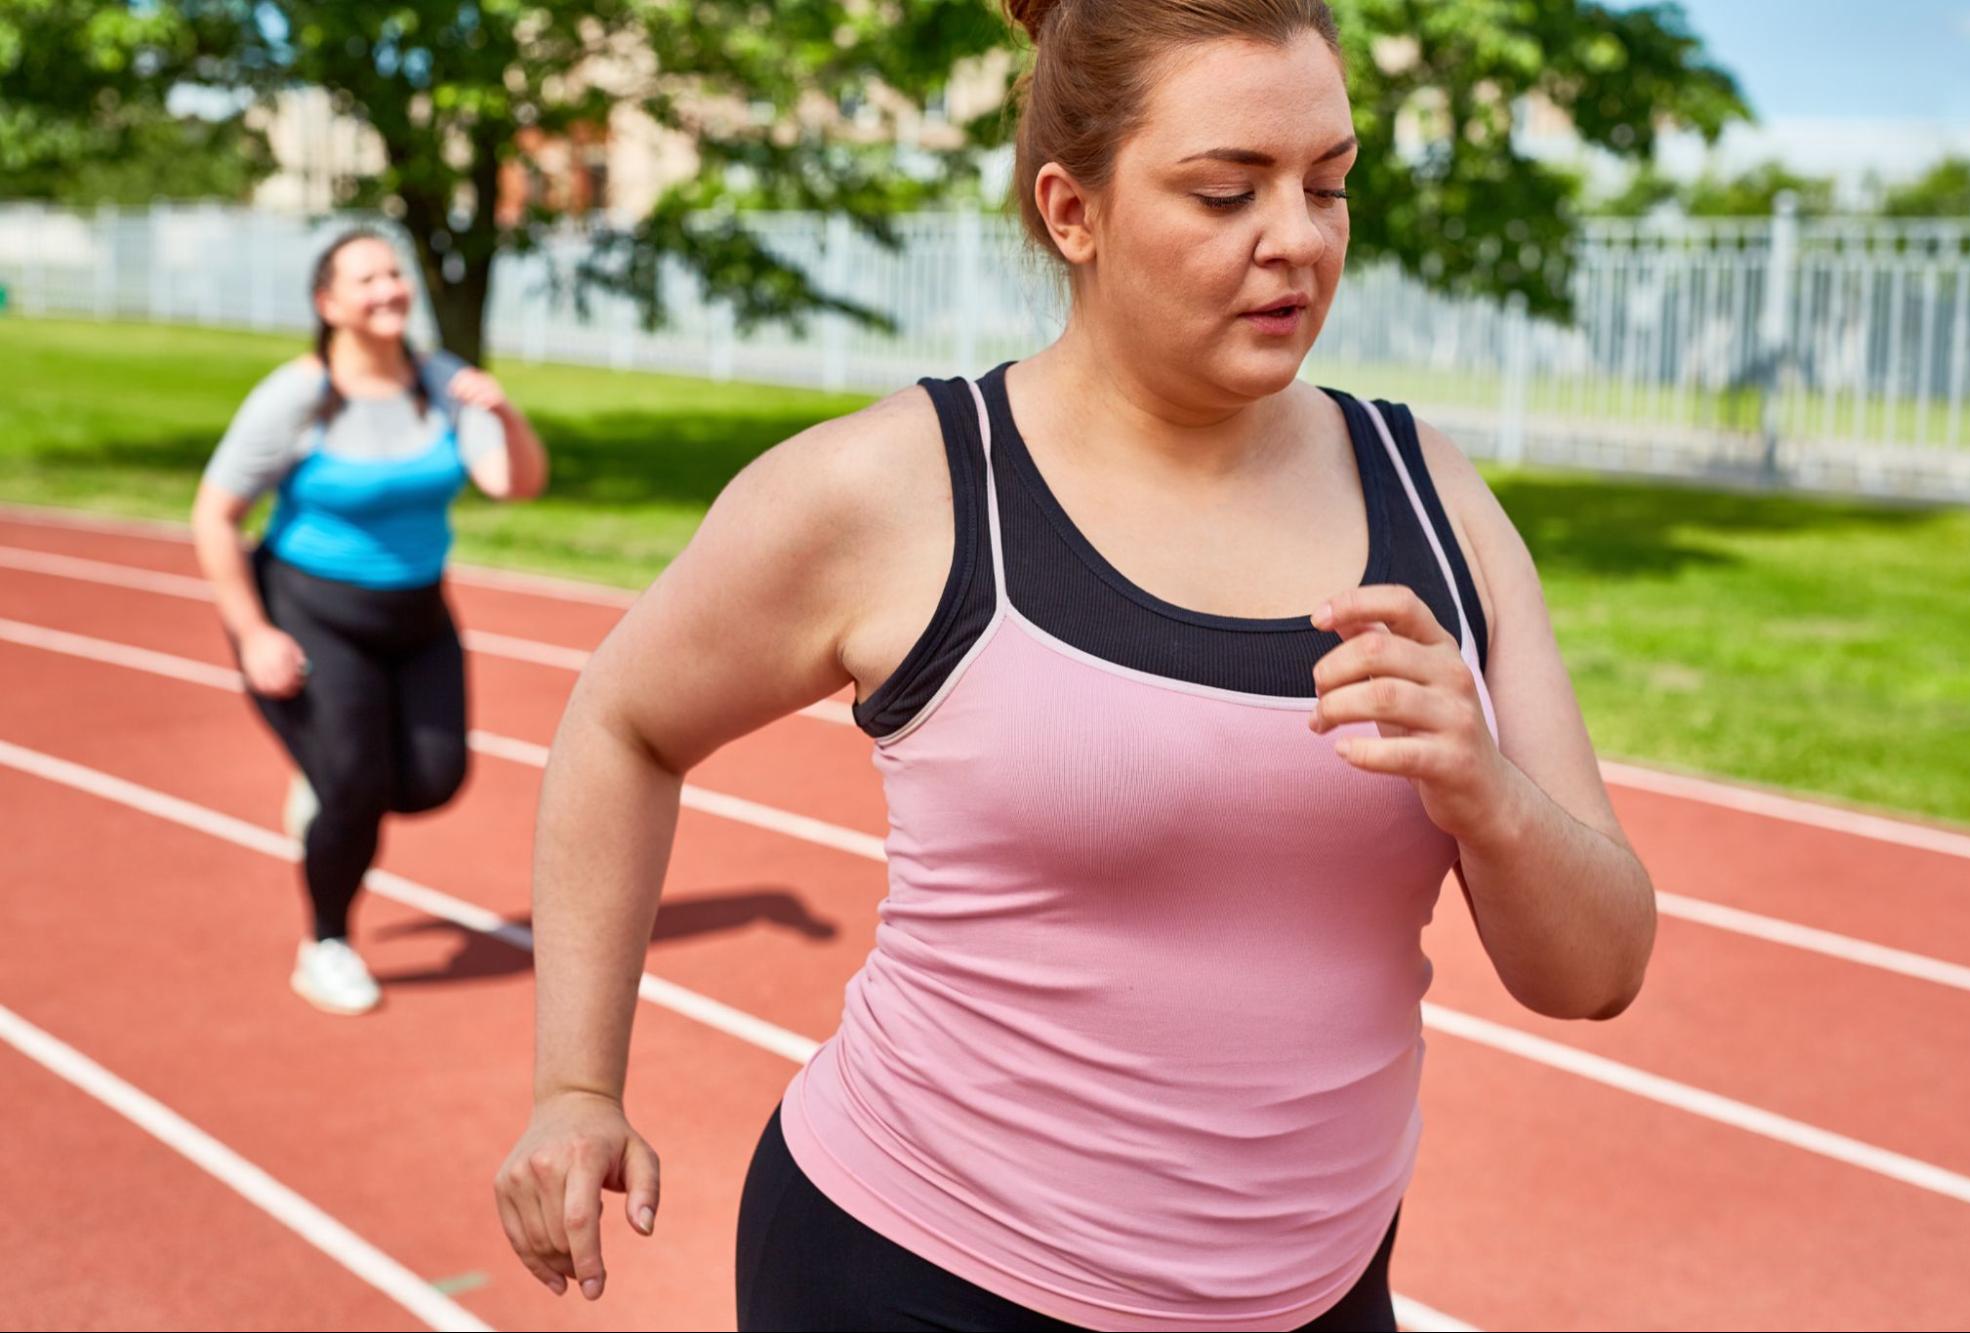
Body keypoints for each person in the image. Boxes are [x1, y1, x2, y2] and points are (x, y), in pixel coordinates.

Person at [494, 0, 1657, 1328]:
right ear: (1071, 211)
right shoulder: (903, 490)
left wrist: (1487, 797)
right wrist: (576, 1087)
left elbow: (1596, 969)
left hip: (1313, 1297)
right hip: (918, 1274)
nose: (1298, 240)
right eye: (1225, 193)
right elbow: (625, 720)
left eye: (1328, 184)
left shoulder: (1426, 492)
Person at [191, 228, 549, 1016]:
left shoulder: (441, 380)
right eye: (366, 278)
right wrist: (254, 633)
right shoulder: (296, 397)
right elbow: (215, 516)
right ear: (328, 304)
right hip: (310, 609)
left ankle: (325, 780)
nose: (389, 288)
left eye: (395, 271)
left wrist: (505, 413)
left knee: (430, 781)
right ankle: (326, 942)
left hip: (417, 613)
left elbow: (512, 484)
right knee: (354, 786)